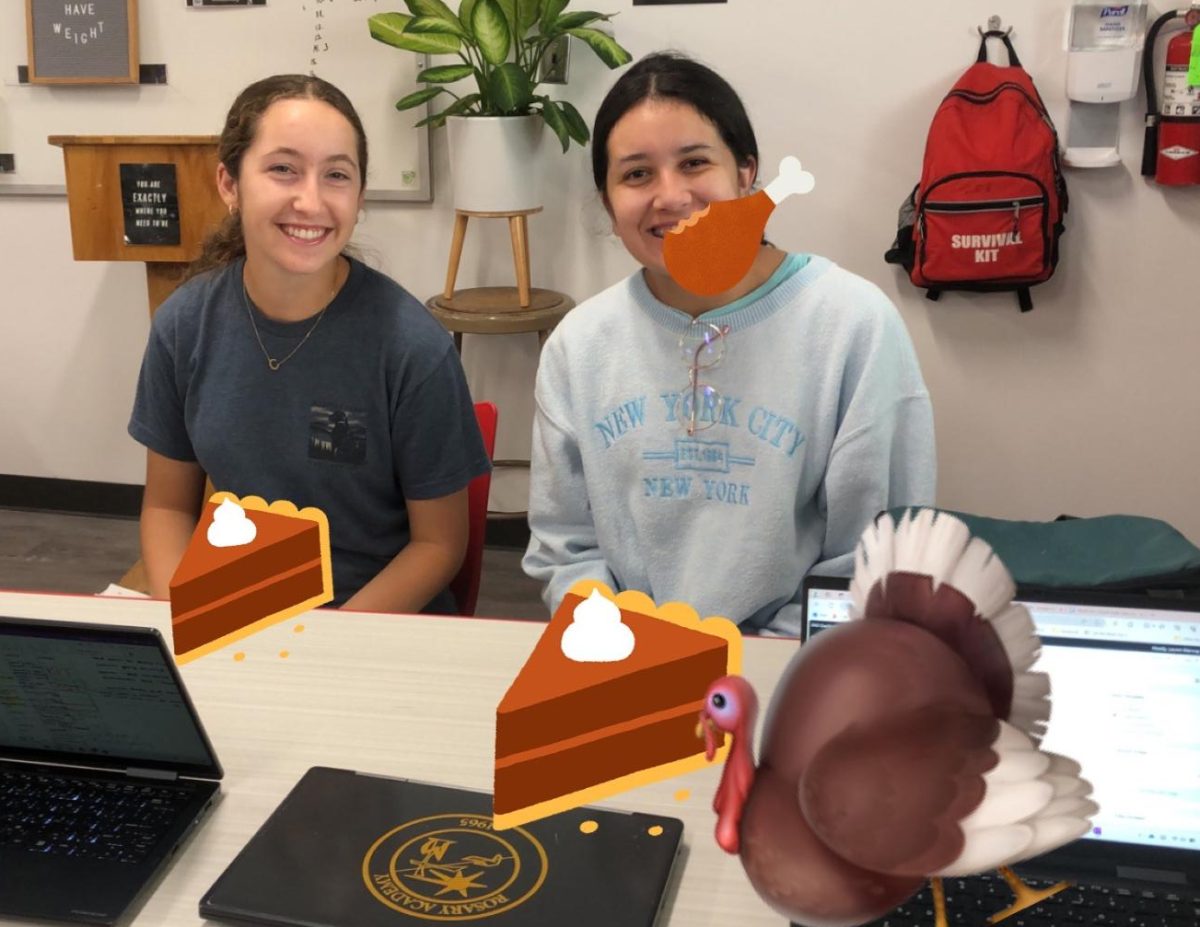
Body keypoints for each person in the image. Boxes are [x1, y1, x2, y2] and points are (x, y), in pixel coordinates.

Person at [522, 53, 935, 636]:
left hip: (798, 665)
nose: (670, 197)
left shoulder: (852, 326)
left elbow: (876, 559)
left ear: (746, 173)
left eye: (694, 162)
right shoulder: (581, 345)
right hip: (624, 661)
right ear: (610, 203)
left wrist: (744, 662)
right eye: (636, 174)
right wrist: (612, 635)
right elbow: (564, 546)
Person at [129, 74, 490, 614]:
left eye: (337, 175)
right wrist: (185, 615)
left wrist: (327, 645)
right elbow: (167, 508)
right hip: (232, 614)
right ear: (229, 183)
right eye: (282, 169)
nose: (310, 200)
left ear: (360, 196)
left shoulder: (412, 347)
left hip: (369, 624)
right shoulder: (184, 325)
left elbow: (438, 546)